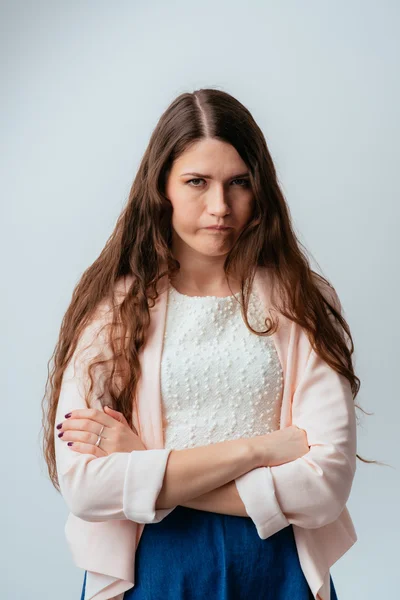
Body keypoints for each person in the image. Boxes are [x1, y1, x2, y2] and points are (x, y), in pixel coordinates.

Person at [41, 88, 363, 600]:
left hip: (276, 564)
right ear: (161, 188)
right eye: (197, 182)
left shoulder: (302, 300)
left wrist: (146, 463)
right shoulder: (114, 309)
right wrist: (259, 449)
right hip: (151, 566)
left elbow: (324, 488)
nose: (220, 207)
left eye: (239, 183)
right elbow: (85, 487)